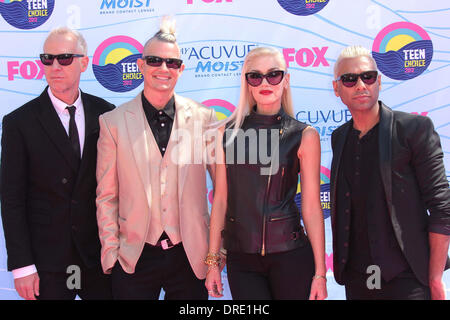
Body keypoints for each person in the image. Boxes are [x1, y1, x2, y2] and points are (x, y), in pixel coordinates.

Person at [95, 17, 217, 300]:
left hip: (190, 256)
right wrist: (111, 253)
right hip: (134, 258)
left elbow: (222, 190)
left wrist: (215, 253)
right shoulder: (112, 122)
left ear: (181, 69)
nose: (164, 69)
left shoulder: (204, 119)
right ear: (140, 65)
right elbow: (106, 196)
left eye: (172, 63)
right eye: (154, 61)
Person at [0, 27, 114, 300]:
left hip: (98, 260)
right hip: (45, 265)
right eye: (47, 58)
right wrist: (22, 266)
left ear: (84, 62)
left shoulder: (107, 114)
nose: (55, 66)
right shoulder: (19, 123)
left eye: (64, 58)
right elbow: (11, 198)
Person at [205, 47, 328, 300]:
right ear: (247, 82)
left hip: (291, 256)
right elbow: (220, 201)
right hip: (242, 260)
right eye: (255, 76)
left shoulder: (304, 135)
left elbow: (312, 208)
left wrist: (320, 273)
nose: (264, 83)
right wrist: (212, 262)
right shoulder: (226, 135)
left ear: (286, 80)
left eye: (273, 75)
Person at [330, 45, 450, 300]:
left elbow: (442, 207)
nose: (361, 85)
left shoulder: (414, 129)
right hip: (357, 280)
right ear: (337, 88)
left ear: (379, 82)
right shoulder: (339, 138)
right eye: (349, 79)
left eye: (368, 77)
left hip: (408, 278)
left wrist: (435, 276)